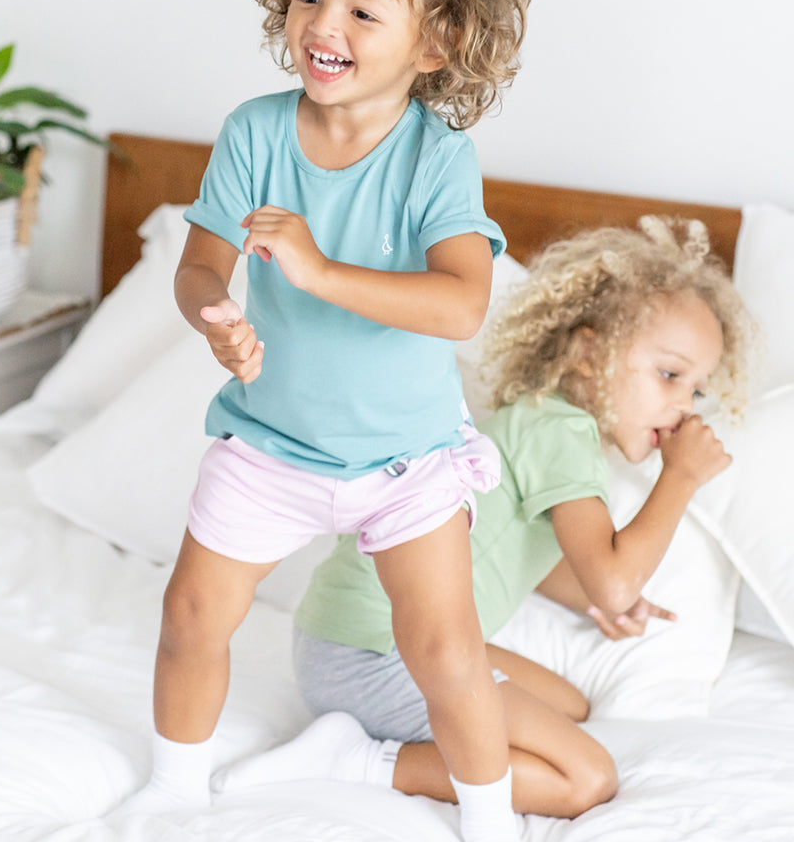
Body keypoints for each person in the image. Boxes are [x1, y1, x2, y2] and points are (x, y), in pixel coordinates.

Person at [125, 0, 532, 842]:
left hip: (407, 463)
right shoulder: (256, 131)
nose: (323, 24)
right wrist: (216, 313)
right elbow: (198, 265)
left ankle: (492, 821)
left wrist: (316, 269)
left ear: (434, 44)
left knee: (445, 653)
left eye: (361, 10)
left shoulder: (437, 157)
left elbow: (462, 303)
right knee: (191, 613)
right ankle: (175, 791)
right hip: (271, 445)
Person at [214, 216, 754, 820]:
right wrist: (680, 478)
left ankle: (370, 738)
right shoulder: (563, 434)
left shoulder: (546, 422)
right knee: (585, 779)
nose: (683, 406)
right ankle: (354, 760)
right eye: (670, 374)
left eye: (695, 390)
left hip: (344, 639)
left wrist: (599, 600)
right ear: (587, 352)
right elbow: (613, 580)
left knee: (569, 706)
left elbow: (509, 551)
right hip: (372, 654)